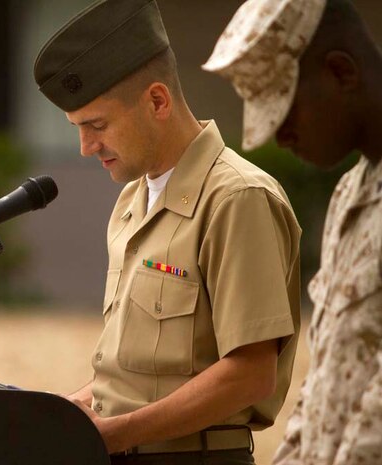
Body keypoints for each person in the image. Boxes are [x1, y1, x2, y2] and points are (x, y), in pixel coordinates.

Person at [33, 0, 302, 463]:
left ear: (157, 101)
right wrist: (73, 410)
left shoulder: (237, 197)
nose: (85, 147)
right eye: (78, 128)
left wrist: (114, 434)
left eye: (97, 125)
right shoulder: (130, 203)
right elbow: (146, 373)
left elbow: (251, 374)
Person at [203, 0, 382, 463]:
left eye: (286, 111)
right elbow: (324, 388)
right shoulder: (351, 194)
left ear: (341, 72)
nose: (277, 137)